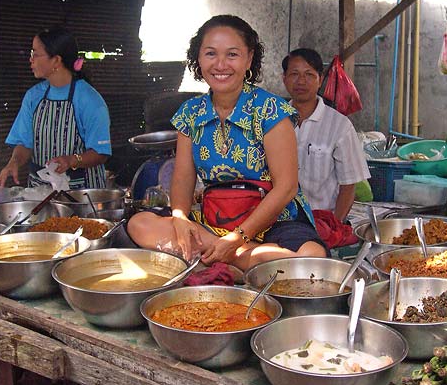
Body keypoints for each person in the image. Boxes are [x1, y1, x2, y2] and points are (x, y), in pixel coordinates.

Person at [127, 15, 326, 271]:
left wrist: (236, 239)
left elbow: (286, 188)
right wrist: (179, 216)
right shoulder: (191, 113)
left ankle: (226, 256)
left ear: (248, 58)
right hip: (215, 217)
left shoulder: (271, 110)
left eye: (232, 55)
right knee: (140, 223)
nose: (220, 64)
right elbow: (183, 179)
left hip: (274, 220)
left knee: (312, 255)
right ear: (198, 58)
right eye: (211, 54)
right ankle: (249, 261)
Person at [0, 27, 111, 189]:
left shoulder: (89, 100)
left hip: (81, 193)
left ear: (56, 60)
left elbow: (101, 153)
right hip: (39, 192)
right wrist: (13, 162)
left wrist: (71, 160)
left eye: (36, 53)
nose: (31, 59)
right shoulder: (33, 96)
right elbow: (25, 144)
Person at [282, 48, 369, 221]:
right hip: (279, 221)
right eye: (294, 74)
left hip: (322, 220)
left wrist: (334, 225)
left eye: (309, 74)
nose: (301, 81)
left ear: (320, 80)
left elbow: (348, 185)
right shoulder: (274, 120)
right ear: (284, 79)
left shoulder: (340, 126)